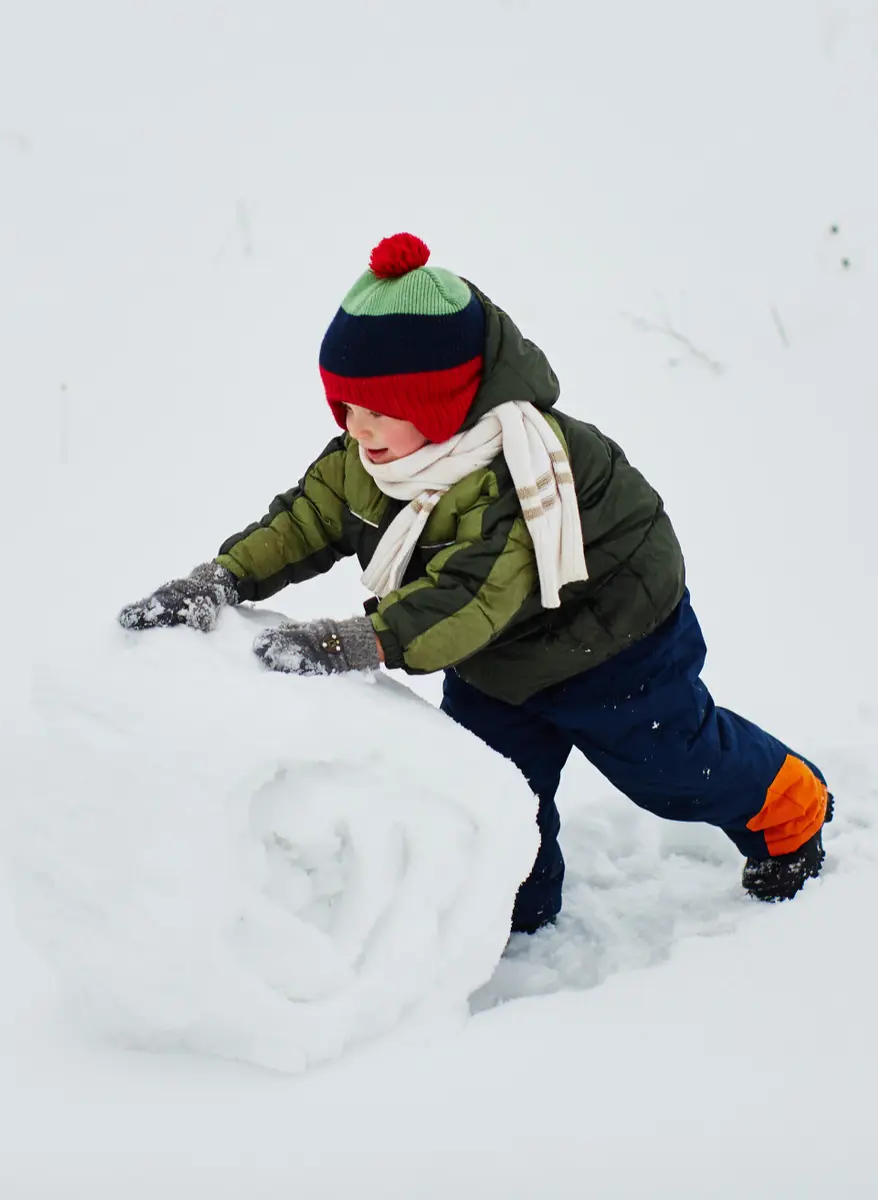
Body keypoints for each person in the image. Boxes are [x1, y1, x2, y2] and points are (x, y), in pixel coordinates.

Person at [118, 233, 831, 933]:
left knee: (672, 766)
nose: (354, 427)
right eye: (345, 405)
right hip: (496, 654)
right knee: (494, 791)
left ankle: (789, 806)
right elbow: (304, 521)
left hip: (610, 639)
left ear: (439, 405)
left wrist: (356, 642)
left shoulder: (516, 470)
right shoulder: (370, 457)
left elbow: (470, 594)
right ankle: (514, 913)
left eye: (376, 408)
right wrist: (220, 579)